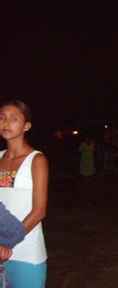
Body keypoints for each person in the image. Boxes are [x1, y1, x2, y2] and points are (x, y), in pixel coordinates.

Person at [0, 100, 49, 287]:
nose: (6, 123)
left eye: (14, 118)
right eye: (1, 117)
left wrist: (6, 243)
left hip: (26, 253)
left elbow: (39, 211)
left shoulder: (36, 160)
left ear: (26, 126)